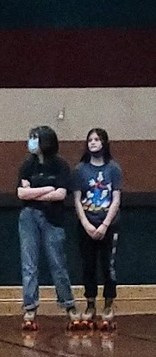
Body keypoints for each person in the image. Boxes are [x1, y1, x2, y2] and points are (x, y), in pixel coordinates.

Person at [16, 126, 76, 331]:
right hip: (28, 217)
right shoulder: (27, 165)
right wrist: (46, 190)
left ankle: (68, 304)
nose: (31, 142)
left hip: (53, 218)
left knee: (58, 264)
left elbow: (60, 194)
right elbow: (21, 194)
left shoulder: (60, 166)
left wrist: (34, 192)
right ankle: (30, 307)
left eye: (35, 138)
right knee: (29, 264)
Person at [73, 129, 122, 331]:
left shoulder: (113, 169)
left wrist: (104, 225)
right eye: (90, 140)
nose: (93, 143)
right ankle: (90, 303)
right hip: (87, 224)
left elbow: (116, 199)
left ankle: (108, 304)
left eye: (97, 139)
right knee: (88, 265)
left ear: (104, 143)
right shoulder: (80, 170)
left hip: (108, 225)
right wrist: (86, 224)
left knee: (107, 266)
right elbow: (77, 199)